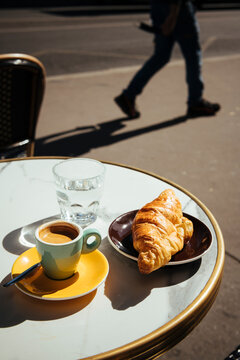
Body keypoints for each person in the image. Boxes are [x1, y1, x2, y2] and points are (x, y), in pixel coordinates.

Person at [114, 0, 220, 119]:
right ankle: (195, 102)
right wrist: (172, 15)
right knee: (192, 56)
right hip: (178, 9)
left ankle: (128, 95)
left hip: (159, 7)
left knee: (161, 56)